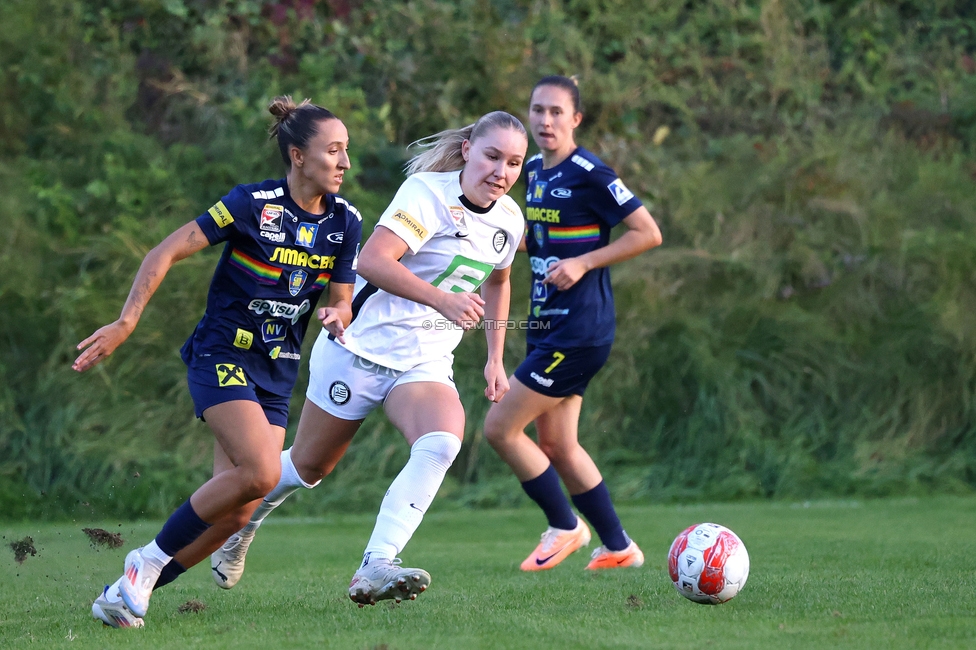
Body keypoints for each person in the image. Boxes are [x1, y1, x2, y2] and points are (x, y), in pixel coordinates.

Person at [208, 111, 528, 606]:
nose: (501, 172)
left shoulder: (508, 219)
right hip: (358, 347)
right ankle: (239, 520)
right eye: (492, 156)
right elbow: (373, 261)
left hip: (423, 361)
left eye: (513, 163)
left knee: (442, 442)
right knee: (309, 466)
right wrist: (441, 300)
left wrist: (494, 357)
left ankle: (377, 564)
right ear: (467, 150)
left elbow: (499, 279)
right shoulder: (427, 194)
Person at [74, 97, 362, 627]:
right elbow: (164, 251)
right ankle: (145, 562)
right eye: (334, 150)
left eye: (347, 151)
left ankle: (124, 592)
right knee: (261, 471)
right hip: (222, 353)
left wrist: (339, 315)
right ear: (298, 156)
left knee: (239, 511)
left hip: (277, 370)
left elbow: (340, 298)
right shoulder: (252, 203)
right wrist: (126, 322)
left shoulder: (346, 222)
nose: (345, 162)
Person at [483, 76, 663, 572]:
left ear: (576, 119)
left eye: (556, 112)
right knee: (558, 444)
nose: (545, 120)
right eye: (537, 109)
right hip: (547, 324)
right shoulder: (533, 169)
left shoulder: (590, 172)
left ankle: (565, 525)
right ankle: (619, 547)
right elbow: (536, 241)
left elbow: (648, 233)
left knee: (500, 428)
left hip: (580, 329)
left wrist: (584, 262)